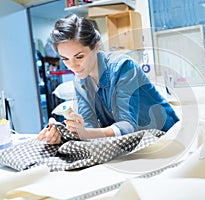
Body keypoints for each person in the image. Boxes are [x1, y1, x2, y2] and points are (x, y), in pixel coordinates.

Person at [38, 14, 179, 144]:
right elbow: (88, 126)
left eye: (79, 57)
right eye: (65, 59)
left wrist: (85, 133)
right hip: (133, 141)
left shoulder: (123, 67)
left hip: (167, 135)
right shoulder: (81, 80)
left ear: (97, 46)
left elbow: (127, 125)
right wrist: (64, 133)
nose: (72, 66)